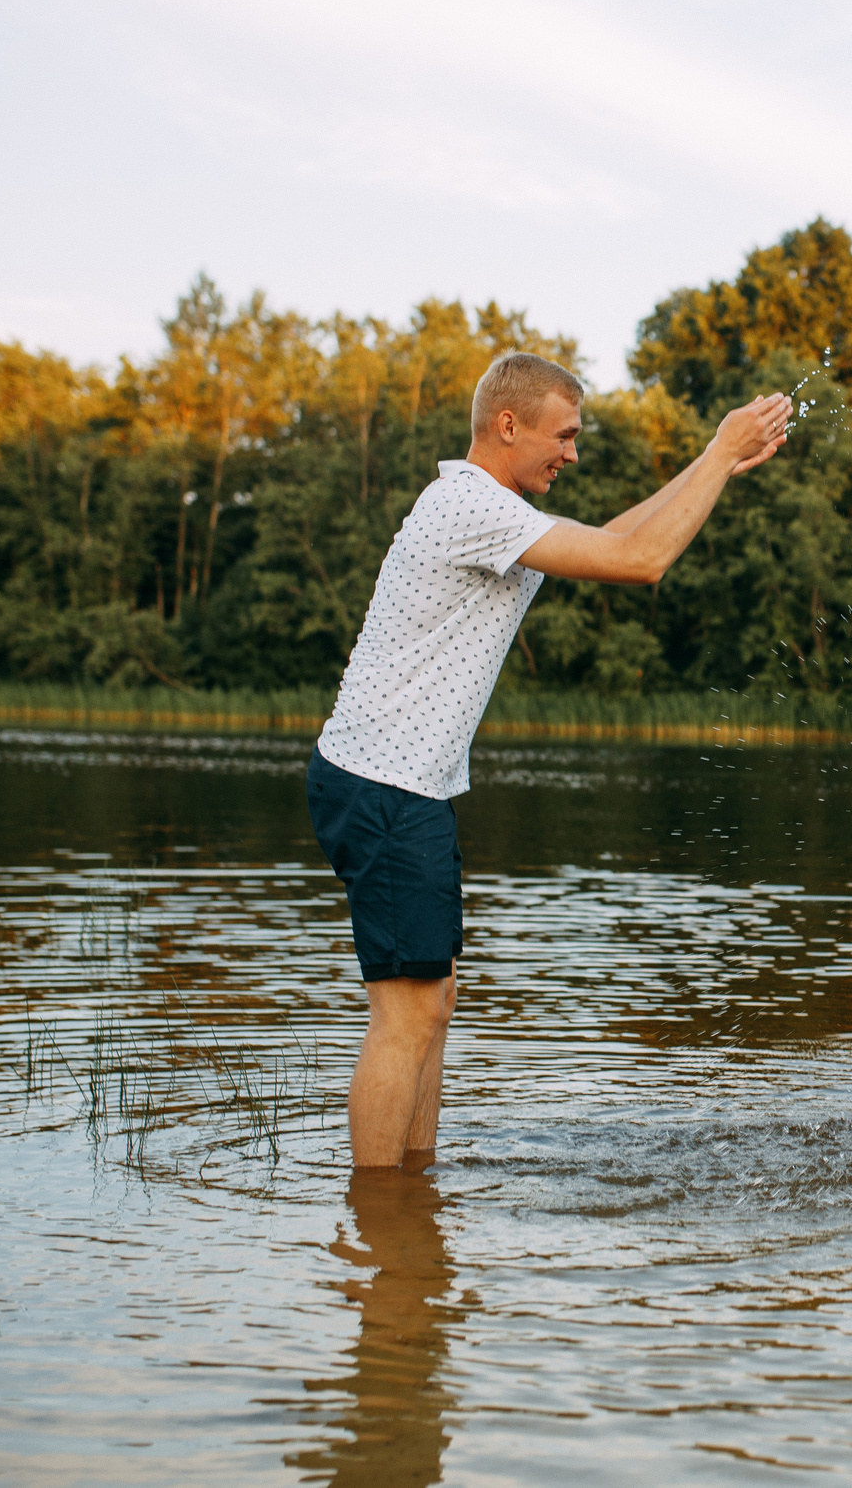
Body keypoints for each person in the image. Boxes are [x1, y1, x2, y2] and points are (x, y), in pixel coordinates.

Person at [309, 350, 791, 1168]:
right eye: (563, 434)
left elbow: (612, 538)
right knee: (408, 1016)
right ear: (507, 424)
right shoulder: (469, 504)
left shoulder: (490, 507)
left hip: (399, 784)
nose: (572, 452)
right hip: (386, 784)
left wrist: (720, 463)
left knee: (433, 1001)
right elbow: (643, 563)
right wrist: (714, 452)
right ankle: (383, 1223)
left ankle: (413, 1194)